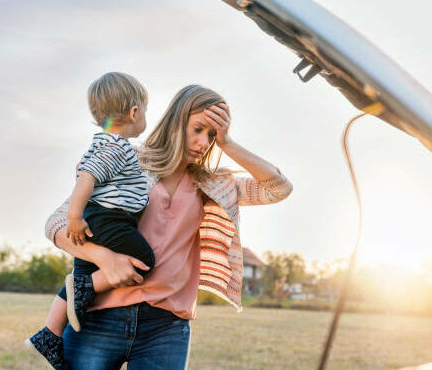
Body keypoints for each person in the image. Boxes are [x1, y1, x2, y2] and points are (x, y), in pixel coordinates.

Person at [40, 84, 292, 369]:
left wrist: (228, 143)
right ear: (176, 121)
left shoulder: (212, 185)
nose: (203, 142)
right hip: (99, 315)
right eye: (197, 129)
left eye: (211, 136)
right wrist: (105, 259)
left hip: (166, 328)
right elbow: (57, 224)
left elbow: (278, 188)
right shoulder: (127, 159)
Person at [26, 71, 154, 369]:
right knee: (144, 259)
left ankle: (51, 332)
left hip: (98, 219)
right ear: (134, 112)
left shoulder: (101, 143)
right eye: (145, 111)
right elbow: (87, 177)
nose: (145, 117)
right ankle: (84, 292)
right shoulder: (116, 146)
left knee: (81, 276)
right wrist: (73, 216)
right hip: (110, 219)